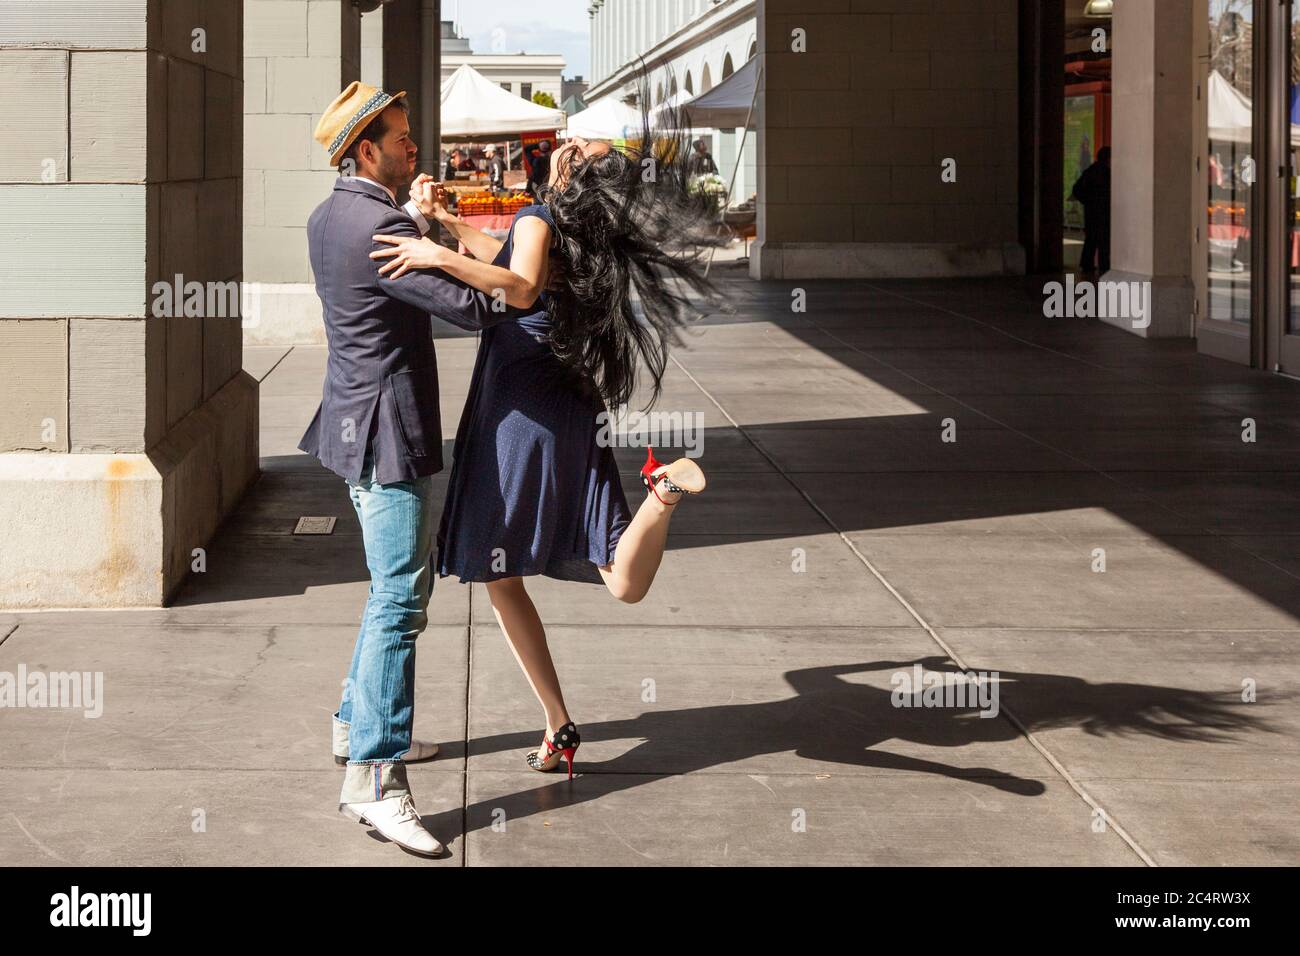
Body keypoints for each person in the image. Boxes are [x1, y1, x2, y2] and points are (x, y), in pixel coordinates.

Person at [369, 86, 721, 783]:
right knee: (618, 577)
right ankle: (660, 499)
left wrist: (435, 255)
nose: (550, 152)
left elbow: (519, 287)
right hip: (568, 401)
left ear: (568, 156)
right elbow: (511, 258)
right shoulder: (585, 231)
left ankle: (558, 717)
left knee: (498, 571)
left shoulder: (540, 217)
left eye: (559, 144)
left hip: (521, 409)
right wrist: (447, 224)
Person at [302, 82, 527, 857]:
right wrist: (450, 242)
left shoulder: (330, 213)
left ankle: (353, 725)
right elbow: (476, 310)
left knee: (392, 589)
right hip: (385, 433)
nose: (413, 148)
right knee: (400, 599)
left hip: (351, 422)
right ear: (366, 150)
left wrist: (426, 225)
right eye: (400, 138)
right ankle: (375, 778)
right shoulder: (381, 225)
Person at [1071, 145, 1111, 275]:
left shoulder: (1090, 171)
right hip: (1103, 211)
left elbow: (1076, 189)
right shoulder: (1107, 173)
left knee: (1091, 238)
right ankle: (1104, 265)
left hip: (1091, 211)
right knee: (1103, 239)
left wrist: (1087, 201)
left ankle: (1087, 263)